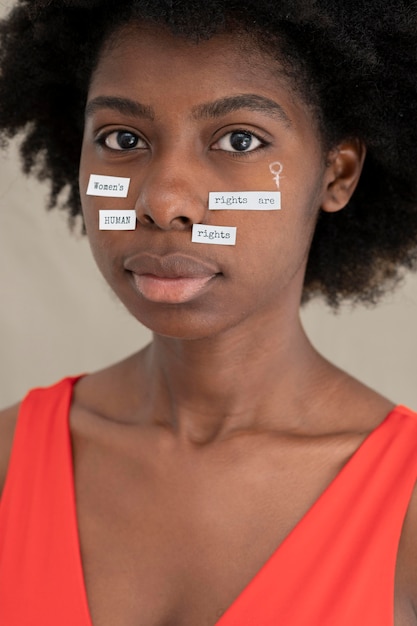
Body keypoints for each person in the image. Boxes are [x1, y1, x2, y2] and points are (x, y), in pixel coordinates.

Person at [0, 1, 417, 624]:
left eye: (239, 140)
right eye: (122, 140)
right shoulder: (6, 461)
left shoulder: (407, 508)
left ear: (338, 173)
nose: (164, 202)